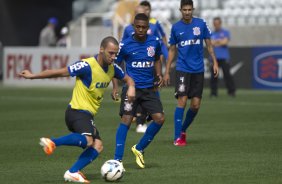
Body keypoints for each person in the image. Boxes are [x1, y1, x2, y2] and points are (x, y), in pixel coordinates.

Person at [18, 36, 135, 183]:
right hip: (77, 112)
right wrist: (32, 76)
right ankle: (52, 142)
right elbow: (60, 72)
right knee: (88, 140)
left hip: (87, 115)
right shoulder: (86, 66)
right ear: (101, 49)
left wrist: (130, 88)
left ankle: (73, 172)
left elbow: (128, 79)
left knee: (97, 146)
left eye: (115, 54)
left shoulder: (113, 68)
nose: (113, 57)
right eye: (110, 53)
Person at [164, 0, 219, 146]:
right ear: (180, 10)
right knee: (182, 101)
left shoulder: (201, 24)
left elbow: (209, 45)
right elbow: (171, 50)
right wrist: (167, 71)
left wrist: (215, 61)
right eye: (184, 10)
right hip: (182, 69)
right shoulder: (176, 28)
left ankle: (182, 130)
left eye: (189, 10)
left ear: (193, 9)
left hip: (198, 70)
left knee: (195, 105)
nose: (187, 12)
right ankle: (177, 138)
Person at [113, 13, 165, 169]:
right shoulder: (125, 44)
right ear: (133, 27)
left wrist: (159, 74)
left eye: (144, 27)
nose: (141, 29)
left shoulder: (154, 41)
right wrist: (115, 86)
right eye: (138, 27)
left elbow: (157, 59)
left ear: (148, 28)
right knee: (126, 122)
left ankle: (139, 148)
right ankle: (117, 160)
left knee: (160, 119)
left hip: (149, 89)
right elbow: (114, 66)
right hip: (131, 90)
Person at [210, 17, 236, 97]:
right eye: (215, 24)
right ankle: (214, 93)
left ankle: (231, 92)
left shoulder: (225, 32)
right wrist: (219, 41)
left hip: (224, 57)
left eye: (217, 23)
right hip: (214, 58)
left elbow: (225, 42)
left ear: (220, 24)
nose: (216, 25)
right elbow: (211, 43)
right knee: (214, 77)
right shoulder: (211, 33)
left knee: (227, 75)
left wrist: (216, 42)